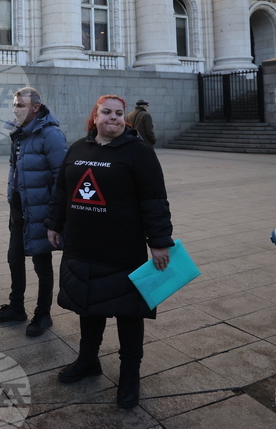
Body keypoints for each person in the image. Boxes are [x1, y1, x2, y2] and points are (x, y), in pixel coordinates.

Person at [45, 94, 174, 410]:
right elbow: (62, 190)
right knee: (88, 307)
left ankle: (130, 375)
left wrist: (159, 242)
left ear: (124, 119)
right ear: (95, 116)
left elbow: (154, 200)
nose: (113, 117)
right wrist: (54, 223)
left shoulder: (139, 153)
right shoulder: (78, 149)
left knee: (129, 315)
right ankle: (88, 360)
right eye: (107, 112)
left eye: (119, 113)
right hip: (81, 248)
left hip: (121, 250)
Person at [0, 87, 66, 338]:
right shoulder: (19, 133)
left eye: (20, 105)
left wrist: (55, 217)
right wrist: (11, 196)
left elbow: (62, 178)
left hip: (41, 211)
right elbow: (14, 167)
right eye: (14, 104)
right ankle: (16, 307)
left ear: (35, 108)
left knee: (41, 264)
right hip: (19, 210)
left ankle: (43, 314)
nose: (15, 109)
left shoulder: (51, 135)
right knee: (14, 258)